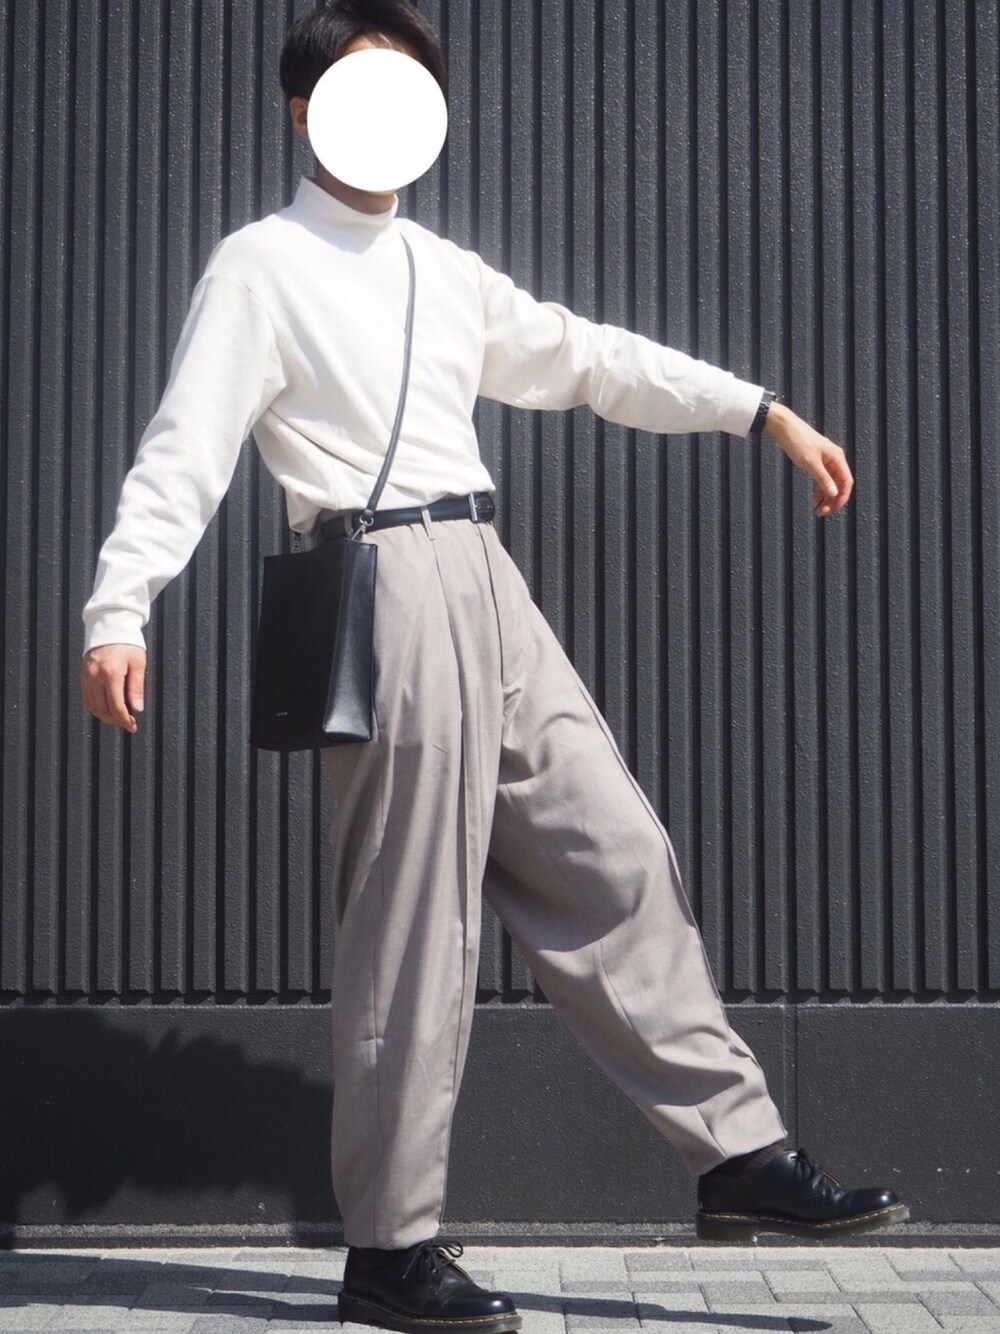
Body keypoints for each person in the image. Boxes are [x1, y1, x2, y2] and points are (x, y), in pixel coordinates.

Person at [79, 3, 909, 1332]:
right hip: (384, 584)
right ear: (303, 113)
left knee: (614, 850)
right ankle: (389, 1249)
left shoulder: (443, 270)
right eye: (364, 88)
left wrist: (757, 409)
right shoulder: (260, 266)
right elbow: (188, 446)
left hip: (488, 579)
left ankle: (737, 1154)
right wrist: (119, 606)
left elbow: (589, 360)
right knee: (414, 926)